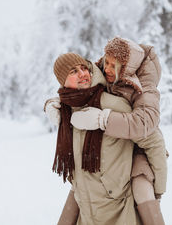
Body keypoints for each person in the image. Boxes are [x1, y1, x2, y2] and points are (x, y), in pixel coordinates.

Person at [70, 37, 167, 225]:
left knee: (142, 188)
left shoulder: (145, 87)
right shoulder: (104, 71)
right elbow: (77, 84)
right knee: (80, 184)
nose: (106, 69)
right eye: (106, 62)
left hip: (141, 148)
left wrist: (102, 119)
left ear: (126, 68)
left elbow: (144, 124)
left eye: (113, 66)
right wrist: (55, 104)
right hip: (115, 145)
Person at [45, 52, 141, 224]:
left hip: (118, 213)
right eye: (73, 71)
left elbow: (149, 137)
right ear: (63, 81)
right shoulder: (67, 112)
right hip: (87, 213)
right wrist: (48, 105)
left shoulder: (114, 104)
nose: (82, 74)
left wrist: (155, 189)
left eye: (84, 68)